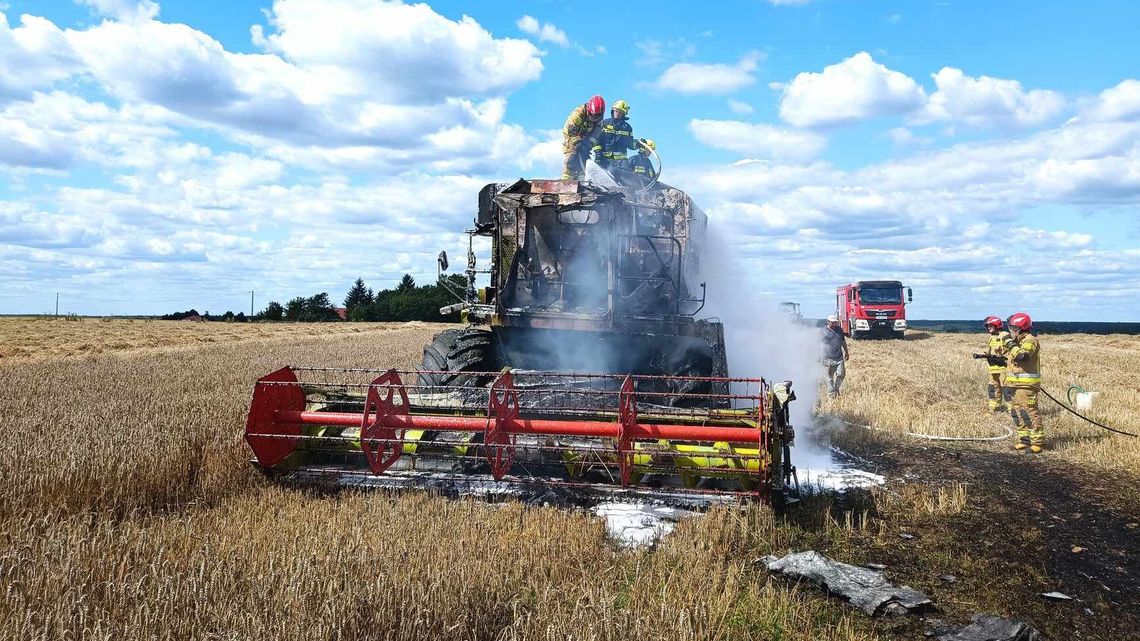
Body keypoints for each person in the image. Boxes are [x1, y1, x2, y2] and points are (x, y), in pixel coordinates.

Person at [1004, 312, 1044, 452]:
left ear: (1021, 328)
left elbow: (1022, 356)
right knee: (1017, 413)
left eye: (1014, 328)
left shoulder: (1030, 340)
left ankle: (1037, 443)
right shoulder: (1019, 341)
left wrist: (1010, 344)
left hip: (1026, 385)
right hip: (1014, 384)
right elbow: (1015, 362)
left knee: (1029, 412)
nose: (1012, 330)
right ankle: (1024, 440)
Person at [562, 95, 606, 180]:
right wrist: (577, 143)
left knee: (583, 160)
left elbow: (596, 134)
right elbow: (571, 130)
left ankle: (581, 182)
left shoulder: (599, 118)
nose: (595, 118)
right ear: (589, 110)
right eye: (593, 115)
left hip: (585, 136)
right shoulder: (578, 113)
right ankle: (566, 183)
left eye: (597, 116)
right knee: (572, 160)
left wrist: (588, 145)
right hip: (572, 136)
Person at [592, 99, 638, 170]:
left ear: (624, 114)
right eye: (616, 111)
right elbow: (597, 140)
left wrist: (638, 144)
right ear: (612, 110)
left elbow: (630, 144)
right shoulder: (604, 123)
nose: (617, 113)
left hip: (621, 162)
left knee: (627, 175)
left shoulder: (627, 128)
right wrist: (598, 153)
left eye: (620, 112)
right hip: (604, 159)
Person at [982, 315, 1011, 412]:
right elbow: (991, 350)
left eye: (990, 326)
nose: (988, 328)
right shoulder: (991, 337)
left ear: (997, 325)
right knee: (993, 389)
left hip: (1004, 369)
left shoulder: (1005, 335)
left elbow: (1012, 350)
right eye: (987, 326)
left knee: (1007, 390)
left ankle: (1012, 411)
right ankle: (994, 409)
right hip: (993, 369)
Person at [820, 315, 850, 398]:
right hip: (828, 359)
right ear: (828, 322)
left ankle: (836, 389)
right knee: (829, 378)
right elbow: (819, 344)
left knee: (841, 374)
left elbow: (843, 341)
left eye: (835, 322)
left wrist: (846, 352)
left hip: (839, 357)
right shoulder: (823, 331)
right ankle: (831, 395)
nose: (834, 324)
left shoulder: (839, 330)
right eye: (832, 322)